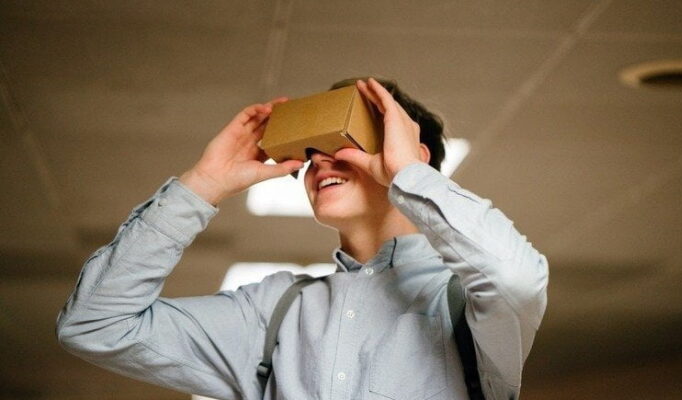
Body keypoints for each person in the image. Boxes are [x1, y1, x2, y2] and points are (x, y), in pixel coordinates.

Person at [56, 77, 549, 399]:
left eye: (344, 147)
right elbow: (95, 325)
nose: (319, 164)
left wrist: (410, 176)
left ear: (409, 155)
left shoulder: (462, 300)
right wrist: (202, 186)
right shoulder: (274, 310)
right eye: (312, 154)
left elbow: (516, 280)